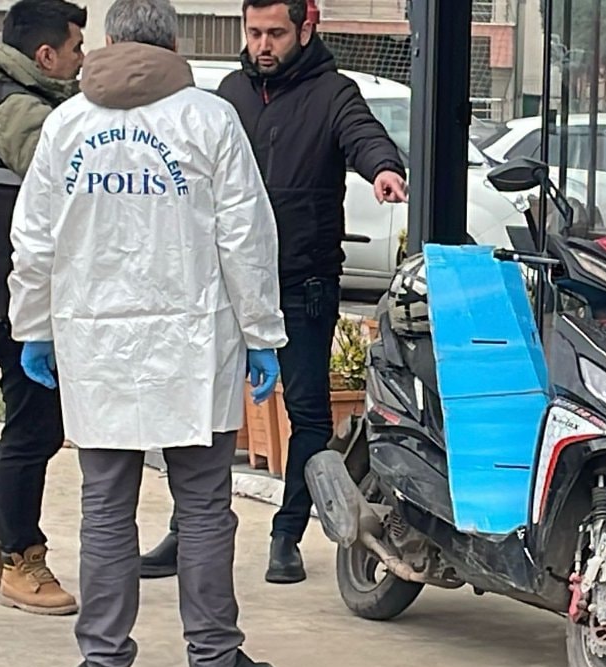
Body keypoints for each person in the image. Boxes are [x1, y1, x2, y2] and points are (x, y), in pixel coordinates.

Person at [7, 0, 286, 667]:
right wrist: (261, 333)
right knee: (204, 507)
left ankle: (102, 659)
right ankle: (215, 655)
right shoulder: (209, 119)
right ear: (173, 45)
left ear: (108, 41)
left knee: (105, 506)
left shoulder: (67, 124)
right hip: (194, 343)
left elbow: (35, 239)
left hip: (96, 343)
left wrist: (34, 325)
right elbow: (245, 236)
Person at [140, 0, 407, 584]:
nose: (263, 44)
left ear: (306, 29)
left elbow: (364, 136)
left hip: (301, 280)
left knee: (307, 413)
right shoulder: (229, 95)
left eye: (276, 33)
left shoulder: (334, 93)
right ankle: (187, 532)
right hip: (224, 284)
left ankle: (287, 536)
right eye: (255, 32)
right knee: (200, 409)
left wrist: (383, 168)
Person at [0, 0, 86, 615]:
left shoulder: (0, 97)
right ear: (45, 55)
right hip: (14, 293)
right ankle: (21, 557)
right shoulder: (19, 110)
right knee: (36, 425)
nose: (82, 61)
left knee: (29, 419)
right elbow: (71, 186)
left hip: (4, 289)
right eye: (75, 49)